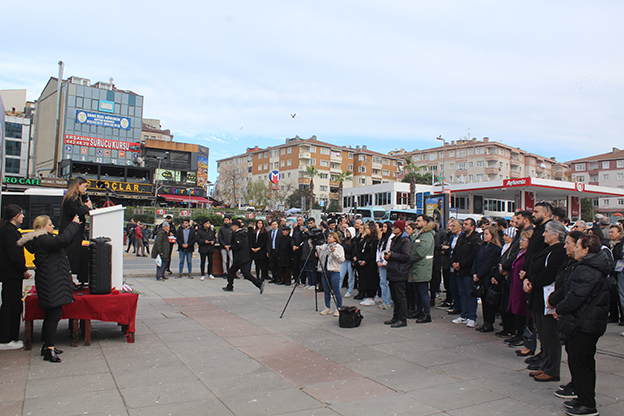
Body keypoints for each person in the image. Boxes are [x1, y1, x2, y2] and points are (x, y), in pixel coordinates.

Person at [553, 234, 613, 416]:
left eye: (577, 246)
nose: (573, 249)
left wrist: (559, 309)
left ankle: (588, 404)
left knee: (581, 363)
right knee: (583, 362)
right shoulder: (589, 266)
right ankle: (582, 397)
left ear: (586, 250)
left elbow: (575, 297)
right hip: (586, 322)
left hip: (585, 323)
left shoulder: (587, 269)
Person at [18, 214, 81, 363]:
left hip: (50, 282)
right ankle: (50, 350)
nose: (53, 227)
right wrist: (73, 224)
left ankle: (47, 346)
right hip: (51, 283)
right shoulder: (43, 239)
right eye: (50, 224)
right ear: (42, 227)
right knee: (53, 315)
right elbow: (63, 240)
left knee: (52, 315)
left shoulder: (41, 240)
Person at [524, 221, 567, 382]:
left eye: (547, 231)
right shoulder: (546, 249)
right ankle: (545, 365)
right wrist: (527, 279)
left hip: (546, 296)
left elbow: (550, 273)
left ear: (556, 234)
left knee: (550, 335)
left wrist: (532, 282)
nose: (544, 234)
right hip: (537, 295)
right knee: (542, 333)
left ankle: (552, 369)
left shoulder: (558, 252)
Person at [0, 205, 29, 350]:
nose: (23, 216)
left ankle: (10, 336)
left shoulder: (9, 230)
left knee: (12, 304)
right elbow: (14, 255)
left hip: (11, 273)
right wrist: (23, 269)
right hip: (11, 274)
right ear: (14, 216)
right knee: (11, 305)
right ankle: (6, 338)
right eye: (21, 214)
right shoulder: (9, 232)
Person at [451, 218, 482, 327]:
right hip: (459, 271)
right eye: (463, 224)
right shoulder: (461, 237)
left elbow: (473, 255)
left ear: (472, 227)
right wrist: (454, 263)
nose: (464, 226)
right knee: (462, 293)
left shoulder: (475, 239)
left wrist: (461, 264)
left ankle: (472, 317)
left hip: (468, 271)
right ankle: (463, 315)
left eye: (466, 224)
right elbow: (455, 252)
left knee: (470, 294)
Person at [59, 177, 93, 274]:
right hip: (71, 232)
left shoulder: (75, 197)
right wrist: (86, 206)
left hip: (74, 232)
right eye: (84, 186)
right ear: (78, 185)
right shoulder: (72, 198)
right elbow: (76, 212)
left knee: (73, 256)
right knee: (70, 256)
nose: (85, 189)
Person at [472, 226, 502, 332]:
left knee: (489, 302)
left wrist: (479, 274)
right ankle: (485, 322)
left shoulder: (495, 248)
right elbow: (476, 260)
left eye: (487, 234)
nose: (484, 236)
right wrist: (475, 273)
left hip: (487, 277)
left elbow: (488, 263)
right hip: (480, 276)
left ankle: (489, 323)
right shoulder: (482, 246)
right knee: (484, 301)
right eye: (484, 234)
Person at [223, 220, 265, 293]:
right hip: (242, 257)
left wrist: (230, 247)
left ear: (236, 226)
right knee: (232, 272)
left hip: (240, 258)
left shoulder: (238, 235)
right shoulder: (243, 233)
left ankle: (259, 283)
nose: (231, 228)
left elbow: (238, 245)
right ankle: (230, 286)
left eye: (232, 226)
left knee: (245, 274)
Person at [383, 220, 412, 328]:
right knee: (395, 297)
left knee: (400, 296)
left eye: (395, 227)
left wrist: (392, 255)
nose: (393, 229)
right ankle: (395, 317)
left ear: (400, 228)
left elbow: (406, 256)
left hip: (400, 272)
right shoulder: (394, 239)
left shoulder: (405, 240)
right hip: (393, 271)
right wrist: (388, 256)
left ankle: (402, 319)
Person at [408, 215, 436, 323]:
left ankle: (426, 314)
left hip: (422, 268)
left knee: (423, 291)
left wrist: (409, 260)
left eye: (419, 221)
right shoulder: (418, 234)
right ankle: (419, 311)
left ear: (425, 223)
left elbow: (420, 252)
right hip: (416, 268)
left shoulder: (427, 236)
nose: (416, 222)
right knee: (417, 291)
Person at [316, 232, 345, 317]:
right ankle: (327, 307)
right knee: (326, 290)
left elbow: (342, 259)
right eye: (328, 237)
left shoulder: (339, 247)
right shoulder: (325, 246)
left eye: (330, 237)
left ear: (335, 238)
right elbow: (317, 248)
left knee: (336, 291)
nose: (328, 238)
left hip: (334, 270)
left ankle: (339, 307)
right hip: (325, 270)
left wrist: (334, 252)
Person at [353, 222, 379, 306]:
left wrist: (366, 261)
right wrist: (359, 258)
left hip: (370, 263)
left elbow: (372, 253)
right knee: (364, 280)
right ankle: (367, 295)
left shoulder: (375, 240)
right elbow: (361, 249)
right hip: (363, 261)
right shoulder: (365, 238)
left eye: (368, 228)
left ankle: (371, 297)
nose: (366, 230)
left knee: (371, 280)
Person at [376, 221, 394, 310]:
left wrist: (384, 262)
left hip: (387, 263)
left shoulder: (391, 238)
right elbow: (379, 250)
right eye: (383, 226)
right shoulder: (383, 238)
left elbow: (389, 250)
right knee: (382, 282)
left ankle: (389, 301)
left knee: (388, 283)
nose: (383, 228)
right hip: (381, 262)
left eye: (385, 226)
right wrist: (378, 260)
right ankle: (384, 300)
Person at [341, 227, 357, 297]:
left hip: (350, 261)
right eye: (346, 232)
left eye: (349, 232)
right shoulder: (344, 240)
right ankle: (337, 290)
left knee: (351, 277)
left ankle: (349, 291)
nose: (347, 234)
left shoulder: (354, 241)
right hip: (344, 260)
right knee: (341, 276)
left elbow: (352, 250)